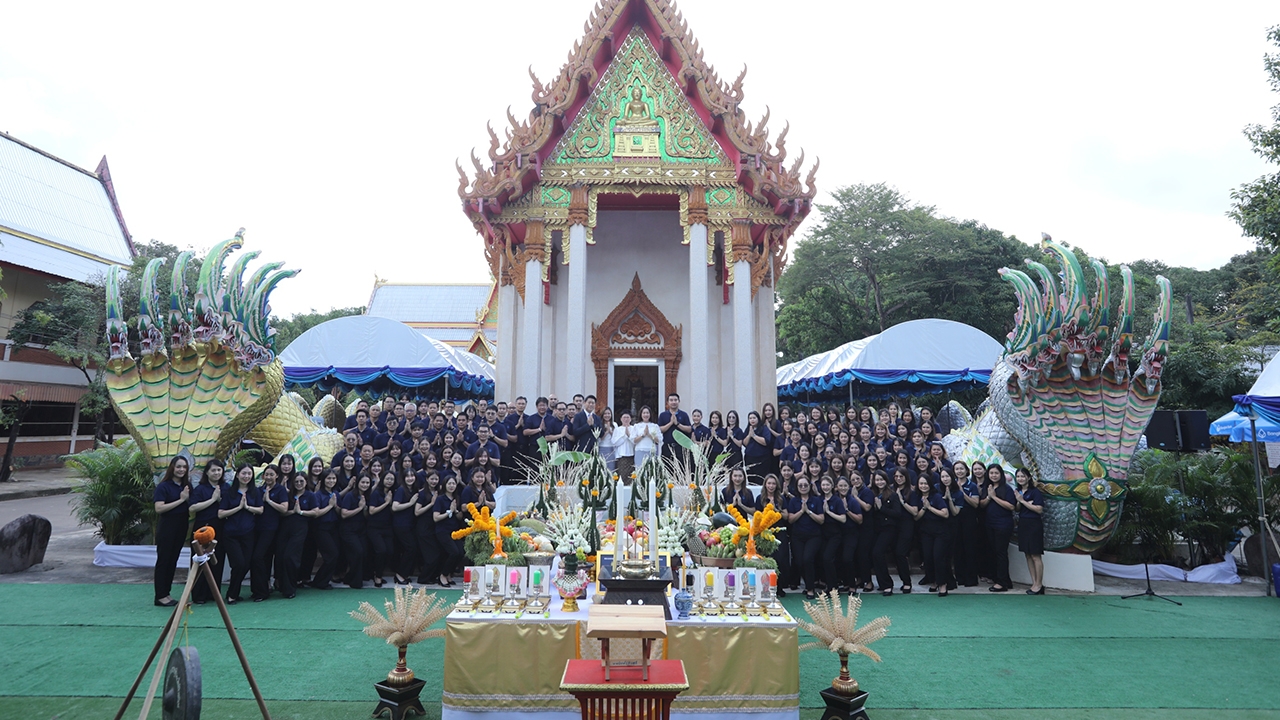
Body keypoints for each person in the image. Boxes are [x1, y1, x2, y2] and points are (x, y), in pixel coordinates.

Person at [218, 464, 262, 604]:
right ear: (237, 475)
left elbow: (260, 510)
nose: (246, 476)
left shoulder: (255, 492)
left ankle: (234, 593)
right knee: (238, 564)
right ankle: (232, 594)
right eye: (244, 473)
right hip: (231, 534)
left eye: (249, 473)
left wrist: (247, 507)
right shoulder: (229, 493)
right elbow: (221, 514)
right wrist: (238, 508)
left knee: (246, 564)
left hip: (248, 533)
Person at [153, 456, 192, 607]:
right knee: (164, 560)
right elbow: (159, 508)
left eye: (184, 467)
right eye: (178, 467)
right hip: (167, 527)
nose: (181, 470)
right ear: (172, 468)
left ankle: (166, 593)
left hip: (181, 526)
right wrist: (181, 500)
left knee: (173, 560)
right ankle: (160, 596)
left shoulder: (186, 486)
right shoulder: (164, 486)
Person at [188, 459, 226, 605]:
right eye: (213, 470)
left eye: (219, 470)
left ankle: (213, 594)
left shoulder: (226, 487)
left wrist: (220, 498)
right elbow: (192, 508)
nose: (216, 473)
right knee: (200, 560)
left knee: (217, 560)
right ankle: (198, 595)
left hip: (220, 528)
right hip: (202, 528)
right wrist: (213, 499)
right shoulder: (201, 489)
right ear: (207, 473)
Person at [252, 464, 288, 602]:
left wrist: (269, 501)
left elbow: (284, 509)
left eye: (271, 474)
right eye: (266, 474)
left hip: (272, 529)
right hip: (257, 528)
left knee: (259, 557)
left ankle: (263, 591)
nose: (268, 477)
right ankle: (262, 587)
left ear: (277, 476)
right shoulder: (258, 489)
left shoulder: (280, 490)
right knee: (263, 559)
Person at [920, 469, 958, 597]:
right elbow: (915, 516)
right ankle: (933, 581)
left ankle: (943, 584)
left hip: (941, 532)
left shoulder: (936, 496)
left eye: (925, 484)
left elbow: (945, 514)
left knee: (938, 557)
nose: (923, 486)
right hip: (926, 531)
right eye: (921, 484)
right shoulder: (917, 496)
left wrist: (929, 508)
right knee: (928, 557)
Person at [275, 471, 312, 599]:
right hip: (285, 528)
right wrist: (293, 511)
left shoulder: (310, 495)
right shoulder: (288, 495)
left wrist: (300, 512)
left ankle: (290, 588)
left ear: (306, 482)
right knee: (280, 556)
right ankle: (281, 584)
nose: (299, 484)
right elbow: (282, 512)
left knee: (290, 557)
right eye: (296, 481)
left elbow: (315, 512)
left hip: (300, 528)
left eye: (301, 481)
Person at [786, 476, 825, 599]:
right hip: (797, 536)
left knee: (808, 559)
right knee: (799, 561)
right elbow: (790, 519)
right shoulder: (794, 501)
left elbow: (821, 520)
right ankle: (809, 583)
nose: (803, 487)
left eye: (805, 485)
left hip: (813, 536)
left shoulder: (816, 500)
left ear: (810, 486)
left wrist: (808, 511)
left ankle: (810, 589)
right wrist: (801, 511)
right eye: (800, 485)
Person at [982, 465, 1016, 592]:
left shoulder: (1006, 489)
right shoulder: (988, 488)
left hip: (1003, 524)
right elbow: (982, 504)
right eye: (991, 473)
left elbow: (1011, 506)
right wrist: (989, 496)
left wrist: (995, 497)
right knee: (994, 552)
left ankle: (1002, 582)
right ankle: (1005, 580)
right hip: (990, 524)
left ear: (1001, 474)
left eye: (996, 473)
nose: (993, 475)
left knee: (1001, 553)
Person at [756, 473, 790, 596]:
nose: (771, 486)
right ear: (765, 484)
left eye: (773, 483)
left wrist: (776, 510)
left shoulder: (781, 498)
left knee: (780, 560)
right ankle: (767, 587)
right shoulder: (760, 498)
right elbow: (757, 517)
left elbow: (786, 516)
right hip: (765, 534)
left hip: (779, 532)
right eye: (769, 483)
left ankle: (779, 587)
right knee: (768, 560)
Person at [870, 470, 902, 596]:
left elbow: (897, 514)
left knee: (878, 552)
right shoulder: (872, 494)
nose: (879, 482)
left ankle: (888, 584)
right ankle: (882, 583)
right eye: (877, 480)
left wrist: (881, 508)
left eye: (881, 479)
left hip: (889, 529)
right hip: (875, 529)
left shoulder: (892, 495)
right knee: (875, 555)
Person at [308, 469, 342, 589]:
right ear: (323, 480)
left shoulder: (336, 493)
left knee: (335, 555)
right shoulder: (317, 495)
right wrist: (330, 506)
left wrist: (336, 506)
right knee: (331, 555)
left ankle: (320, 581)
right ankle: (321, 582)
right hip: (321, 528)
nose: (331, 481)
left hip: (334, 527)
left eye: (333, 478)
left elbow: (339, 512)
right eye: (329, 478)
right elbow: (316, 513)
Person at [1015, 467, 1046, 594]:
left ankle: (1039, 584)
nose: (1020, 479)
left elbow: (1039, 509)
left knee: (1035, 555)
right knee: (1027, 554)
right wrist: (1019, 501)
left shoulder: (1035, 492)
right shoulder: (1017, 491)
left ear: (1028, 477)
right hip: (1023, 523)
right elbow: (1017, 509)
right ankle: (1034, 583)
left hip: (1034, 524)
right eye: (1018, 476)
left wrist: (1023, 501)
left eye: (1023, 476)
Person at [338, 474, 370, 589]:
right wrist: (359, 508)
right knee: (358, 551)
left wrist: (365, 509)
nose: (365, 485)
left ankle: (350, 577)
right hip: (348, 530)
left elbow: (366, 515)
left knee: (364, 553)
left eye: (367, 483)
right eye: (363, 482)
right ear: (357, 483)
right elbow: (344, 514)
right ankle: (355, 581)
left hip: (361, 529)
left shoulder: (367, 496)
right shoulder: (350, 496)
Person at [953, 461, 981, 587]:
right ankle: (960, 577)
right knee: (957, 549)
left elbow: (975, 504)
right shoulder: (951, 484)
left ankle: (971, 578)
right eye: (957, 469)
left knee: (970, 549)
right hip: (955, 519)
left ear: (966, 470)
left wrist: (962, 493)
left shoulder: (972, 485)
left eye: (961, 469)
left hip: (969, 519)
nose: (959, 471)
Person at [366, 471, 396, 588]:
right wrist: (386, 503)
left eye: (392, 479)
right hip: (374, 527)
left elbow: (393, 509)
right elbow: (371, 511)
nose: (389, 481)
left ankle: (376, 572)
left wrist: (391, 503)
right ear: (383, 480)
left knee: (390, 551)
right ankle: (377, 576)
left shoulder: (393, 493)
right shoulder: (376, 493)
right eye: (387, 479)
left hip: (387, 527)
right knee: (381, 550)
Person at [434, 476, 465, 585]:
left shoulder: (457, 498)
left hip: (454, 531)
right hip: (442, 530)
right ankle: (443, 575)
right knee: (454, 552)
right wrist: (449, 512)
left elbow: (460, 517)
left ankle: (448, 574)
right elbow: (435, 517)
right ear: (445, 485)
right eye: (449, 484)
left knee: (461, 553)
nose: (451, 486)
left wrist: (456, 511)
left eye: (453, 484)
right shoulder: (440, 499)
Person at [391, 470, 420, 586]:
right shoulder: (401, 490)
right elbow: (394, 507)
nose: (410, 478)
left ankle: (404, 574)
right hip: (401, 524)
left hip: (410, 524)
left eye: (412, 476)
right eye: (407, 476)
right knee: (411, 548)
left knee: (413, 549)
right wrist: (411, 503)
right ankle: (399, 575)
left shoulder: (413, 490)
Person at [818, 475, 847, 593]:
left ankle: (833, 587)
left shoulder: (837, 500)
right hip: (822, 534)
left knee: (827, 558)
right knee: (823, 559)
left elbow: (843, 519)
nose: (825, 487)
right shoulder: (818, 499)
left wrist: (828, 512)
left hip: (835, 534)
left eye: (827, 485)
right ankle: (828, 585)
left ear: (832, 486)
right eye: (823, 485)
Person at [834, 476, 862, 594]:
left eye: (845, 486)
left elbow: (860, 520)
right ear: (836, 487)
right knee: (838, 559)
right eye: (840, 486)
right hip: (837, 534)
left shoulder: (853, 501)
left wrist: (846, 510)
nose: (843, 488)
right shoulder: (834, 500)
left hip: (851, 533)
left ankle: (852, 585)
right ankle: (845, 583)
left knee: (847, 558)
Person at [415, 472, 442, 585]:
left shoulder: (439, 492)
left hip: (434, 526)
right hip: (424, 527)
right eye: (432, 479)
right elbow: (417, 512)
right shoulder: (422, 494)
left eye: (436, 479)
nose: (434, 481)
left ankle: (431, 577)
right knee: (431, 555)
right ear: (427, 479)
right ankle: (423, 578)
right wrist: (431, 504)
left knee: (437, 553)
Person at [657, 393, 691, 464]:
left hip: (681, 447)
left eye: (675, 400)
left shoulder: (684, 415)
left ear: (679, 401)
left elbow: (689, 429)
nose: (673, 402)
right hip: (667, 447)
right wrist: (670, 423)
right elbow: (660, 430)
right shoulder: (663, 415)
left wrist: (677, 424)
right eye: (671, 400)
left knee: (681, 470)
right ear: (668, 402)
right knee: (667, 470)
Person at [741, 411, 773, 482]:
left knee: (761, 479)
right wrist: (749, 435)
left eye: (754, 418)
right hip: (749, 458)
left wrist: (754, 436)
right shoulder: (748, 429)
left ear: (758, 419)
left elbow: (766, 442)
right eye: (750, 418)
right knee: (751, 479)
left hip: (762, 459)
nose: (752, 420)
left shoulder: (764, 428)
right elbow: (745, 443)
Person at [611, 410, 636, 481]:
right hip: (621, 456)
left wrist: (629, 435)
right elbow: (615, 443)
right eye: (624, 417)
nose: (626, 419)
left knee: (631, 477)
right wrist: (625, 436)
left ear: (630, 419)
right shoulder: (617, 429)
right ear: (621, 419)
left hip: (632, 456)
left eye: (628, 417)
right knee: (622, 476)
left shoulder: (634, 428)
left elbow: (635, 441)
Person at [598, 406, 617, 472]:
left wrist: (610, 431)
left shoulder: (614, 424)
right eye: (605, 414)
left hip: (612, 448)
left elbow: (616, 438)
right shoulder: (600, 424)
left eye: (609, 413)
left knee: (611, 468)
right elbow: (600, 439)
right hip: (602, 448)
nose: (607, 415)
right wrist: (607, 431)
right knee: (603, 468)